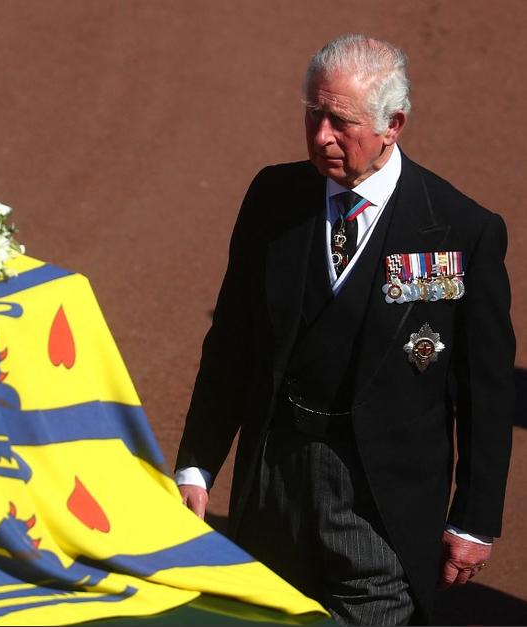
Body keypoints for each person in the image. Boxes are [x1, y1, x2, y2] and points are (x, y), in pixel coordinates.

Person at [175, 33, 514, 626]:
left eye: (341, 120)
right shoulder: (273, 198)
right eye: (314, 114)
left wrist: (474, 520)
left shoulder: (462, 229)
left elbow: (485, 391)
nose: (321, 135)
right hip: (275, 487)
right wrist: (198, 464)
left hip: (383, 507)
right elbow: (233, 343)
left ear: (394, 125)